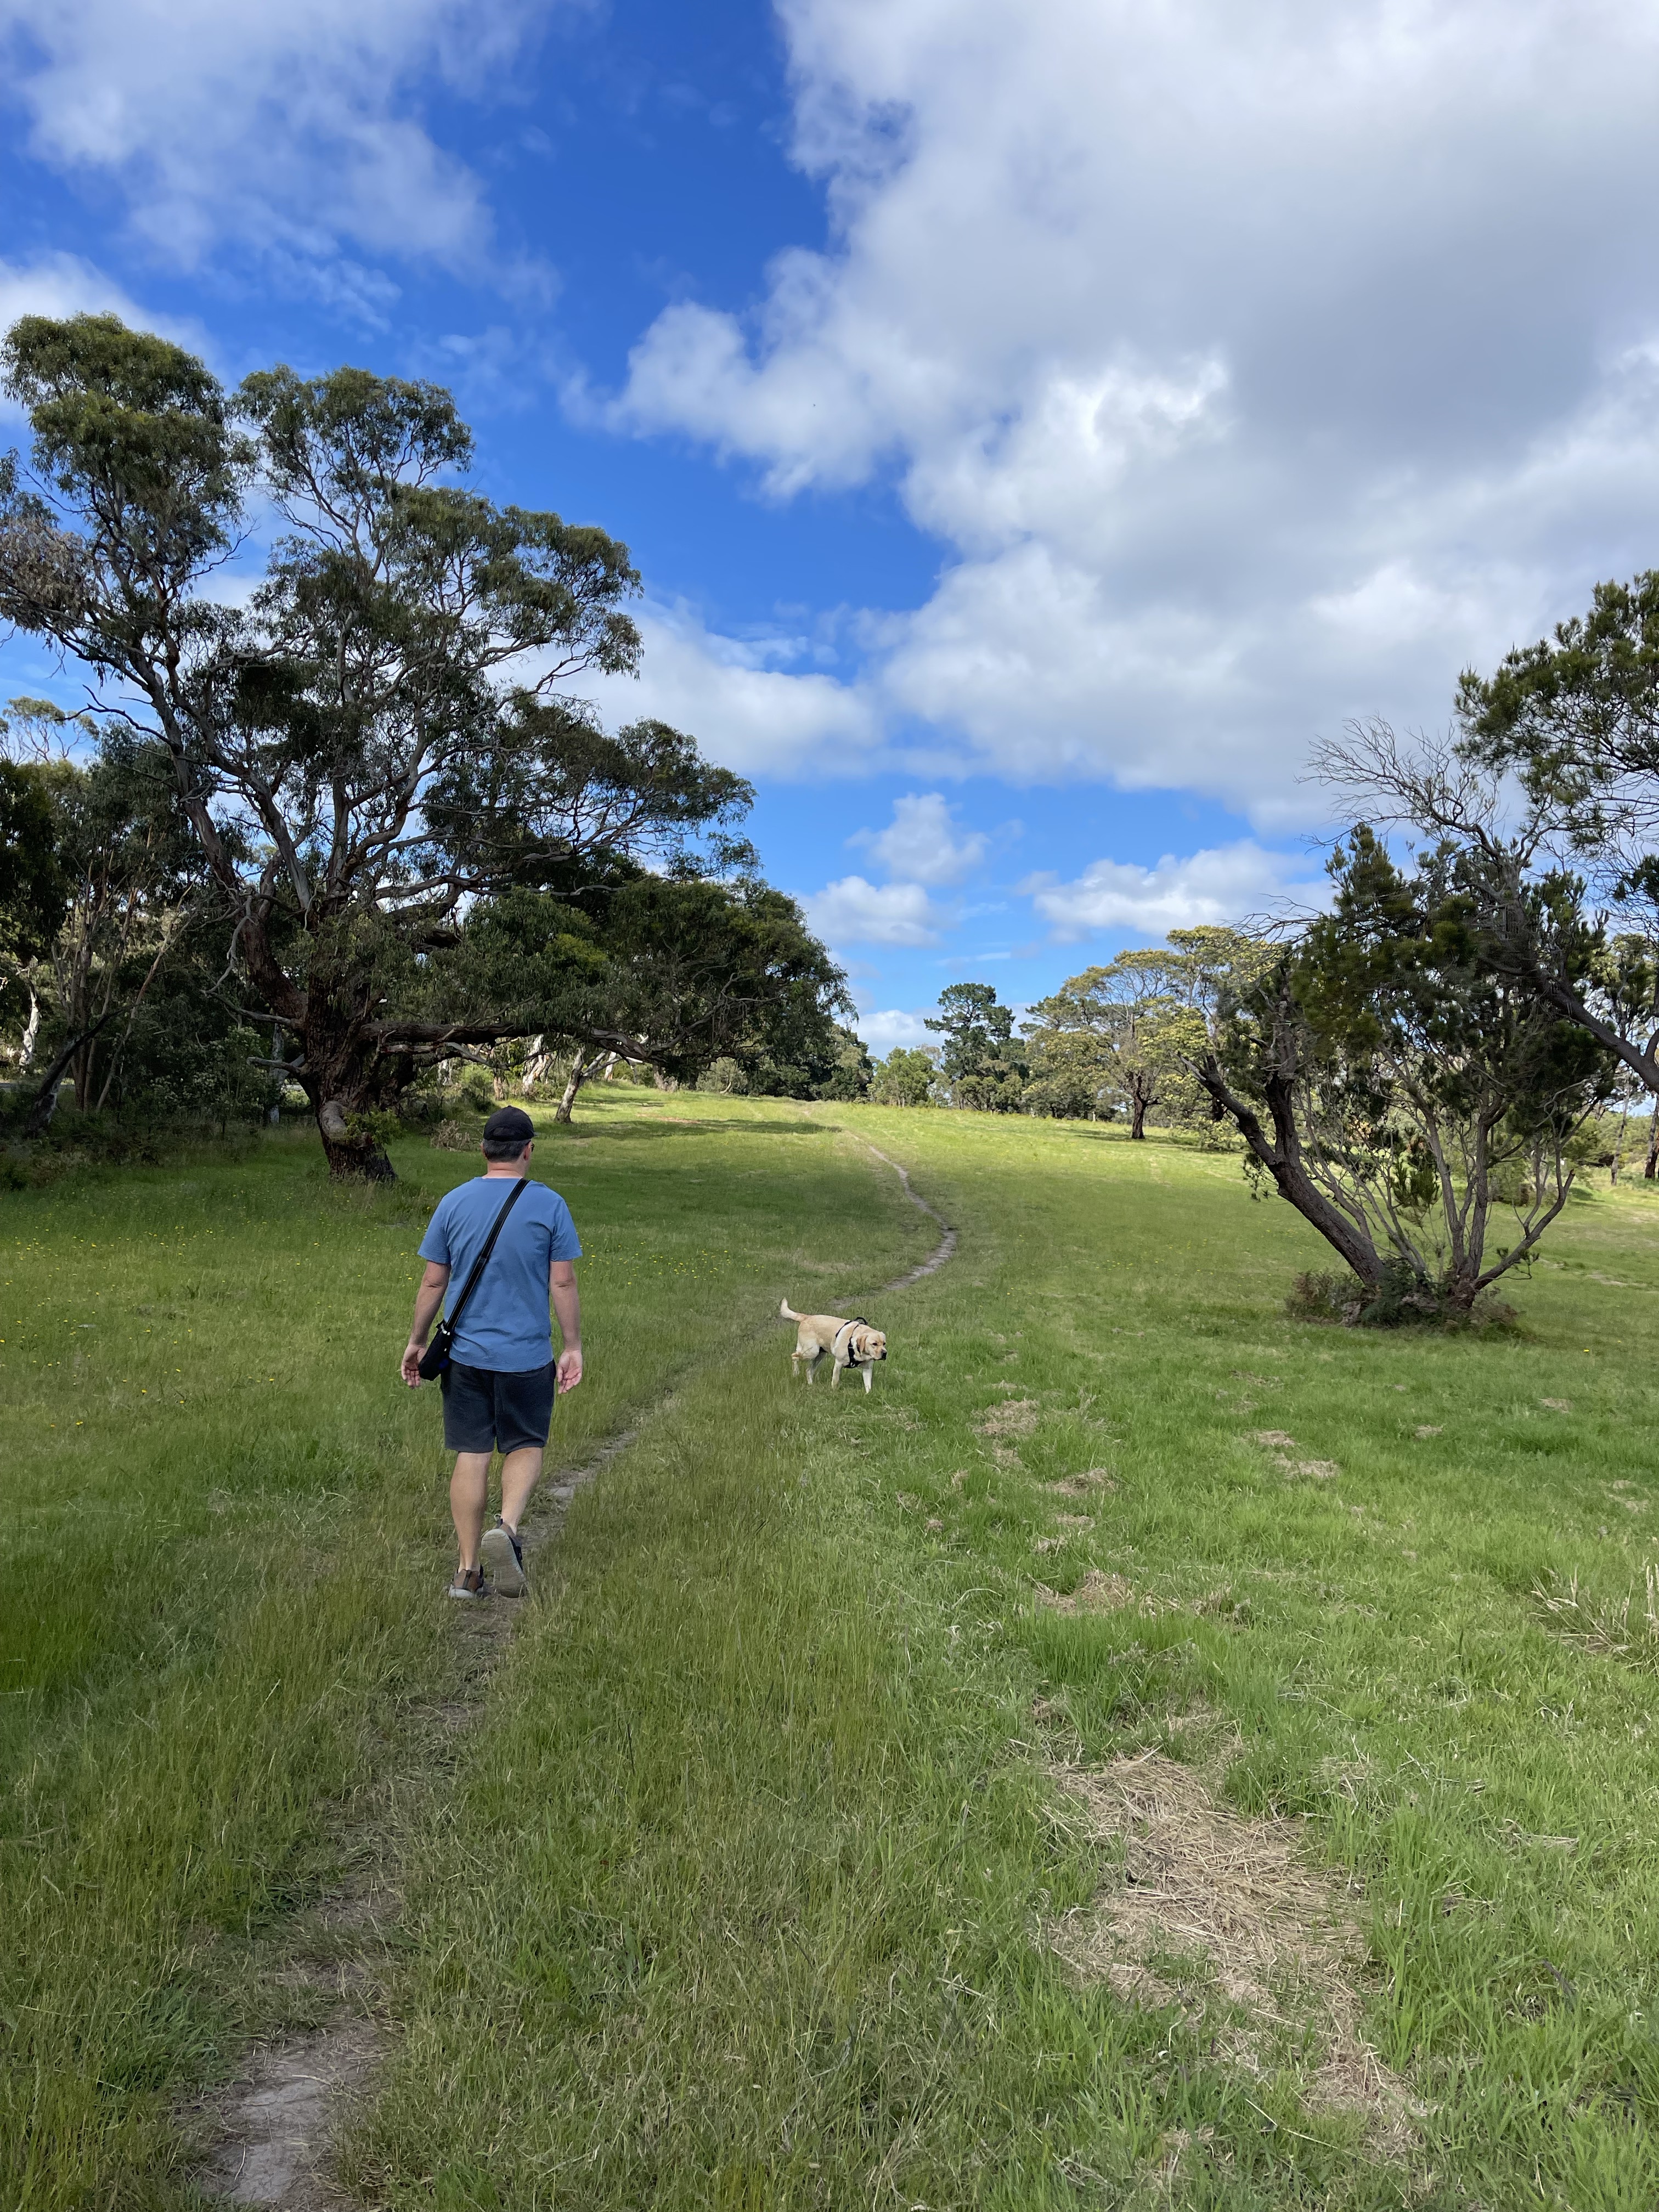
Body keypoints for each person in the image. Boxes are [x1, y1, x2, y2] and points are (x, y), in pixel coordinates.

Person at [402, 1104, 583, 1599]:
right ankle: (506, 1527)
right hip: (527, 1357)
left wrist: (418, 1342)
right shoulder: (550, 1205)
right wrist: (572, 1347)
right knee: (525, 1444)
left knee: (472, 1452)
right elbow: (562, 1281)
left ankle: (467, 1572)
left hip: (465, 1357)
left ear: (483, 1149)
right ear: (529, 1151)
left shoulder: (454, 1202)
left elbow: (434, 1279)